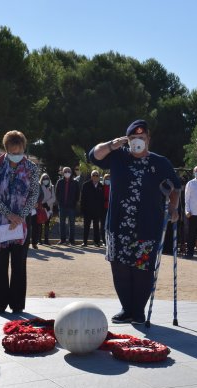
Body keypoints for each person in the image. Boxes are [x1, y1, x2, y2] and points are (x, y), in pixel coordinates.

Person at [88, 119, 181, 325]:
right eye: (133, 138)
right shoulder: (117, 157)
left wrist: (173, 208)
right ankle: (126, 309)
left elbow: (175, 187)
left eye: (141, 138)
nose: (137, 141)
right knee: (120, 267)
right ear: (127, 140)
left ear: (148, 139)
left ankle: (138, 310)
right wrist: (113, 144)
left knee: (142, 269)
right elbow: (93, 154)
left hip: (147, 226)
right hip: (118, 226)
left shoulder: (160, 162)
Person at [0, 130, 39, 313]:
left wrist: (21, 215)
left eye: (19, 151)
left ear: (24, 148)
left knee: (19, 263)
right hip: (0, 218)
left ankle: (17, 304)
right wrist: (8, 214)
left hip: (22, 221)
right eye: (12, 151)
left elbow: (34, 193)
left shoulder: (32, 167)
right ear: (6, 149)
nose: (15, 155)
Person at [55, 166, 80, 245]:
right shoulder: (59, 182)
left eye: (68, 171)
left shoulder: (75, 182)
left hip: (71, 206)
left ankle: (71, 240)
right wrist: (60, 202)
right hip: (62, 206)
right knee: (62, 223)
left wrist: (74, 202)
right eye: (65, 171)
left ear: (71, 172)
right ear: (63, 173)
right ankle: (62, 239)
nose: (67, 173)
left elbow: (77, 194)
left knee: (72, 224)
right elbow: (57, 193)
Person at [80, 169, 104, 247]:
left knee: (96, 227)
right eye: (94, 175)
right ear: (91, 176)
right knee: (86, 226)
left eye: (97, 175)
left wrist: (101, 210)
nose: (95, 176)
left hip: (97, 210)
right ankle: (85, 242)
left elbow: (102, 199)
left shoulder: (101, 186)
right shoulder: (85, 185)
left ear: (99, 177)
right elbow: (82, 198)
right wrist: (82, 209)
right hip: (87, 210)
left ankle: (96, 242)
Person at [38, 173, 55, 245]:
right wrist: (42, 204)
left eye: (47, 178)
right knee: (40, 224)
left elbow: (54, 198)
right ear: (41, 179)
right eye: (44, 178)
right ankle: (39, 240)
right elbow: (37, 197)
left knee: (47, 224)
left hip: (48, 208)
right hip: (41, 207)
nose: (45, 180)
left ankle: (46, 240)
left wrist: (46, 203)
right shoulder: (39, 186)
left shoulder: (51, 187)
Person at [101, 173, 111, 243]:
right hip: (103, 208)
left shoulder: (112, 187)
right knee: (103, 224)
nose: (108, 180)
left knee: (109, 225)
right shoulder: (101, 187)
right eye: (106, 178)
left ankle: (108, 240)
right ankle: (103, 240)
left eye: (109, 178)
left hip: (110, 208)